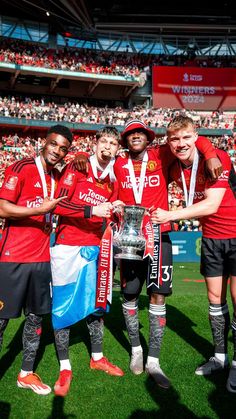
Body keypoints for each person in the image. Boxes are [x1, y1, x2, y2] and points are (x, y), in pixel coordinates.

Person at [112, 119, 222, 389]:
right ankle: (136, 350)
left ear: (149, 138)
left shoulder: (161, 153)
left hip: (160, 235)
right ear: (125, 139)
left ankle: (154, 360)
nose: (136, 136)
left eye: (141, 133)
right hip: (129, 237)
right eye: (130, 134)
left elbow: (193, 140)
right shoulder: (118, 162)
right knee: (129, 294)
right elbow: (95, 161)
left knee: (158, 293)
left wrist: (208, 153)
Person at [151, 115, 236, 393]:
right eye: (174, 139)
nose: (181, 143)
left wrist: (171, 214)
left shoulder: (218, 156)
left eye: (187, 137)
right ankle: (221, 356)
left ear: (196, 135)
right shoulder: (174, 166)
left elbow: (211, 205)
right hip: (211, 238)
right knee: (214, 300)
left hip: (235, 235)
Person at [50, 126, 124, 397]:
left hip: (96, 249)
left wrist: (116, 212)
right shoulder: (78, 166)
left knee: (97, 307)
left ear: (118, 149)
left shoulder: (115, 177)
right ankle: (65, 367)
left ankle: (97, 357)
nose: (107, 146)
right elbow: (56, 204)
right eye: (103, 141)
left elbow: (111, 213)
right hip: (68, 247)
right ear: (95, 144)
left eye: (113, 143)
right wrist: (91, 209)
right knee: (63, 308)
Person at [0, 124, 73, 395]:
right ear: (45, 142)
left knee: (35, 318)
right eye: (54, 144)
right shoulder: (21, 168)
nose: (57, 151)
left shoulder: (58, 177)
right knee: (1, 320)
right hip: (12, 258)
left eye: (63, 148)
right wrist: (39, 209)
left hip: (42, 259)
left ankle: (25, 373)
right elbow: (2, 207)